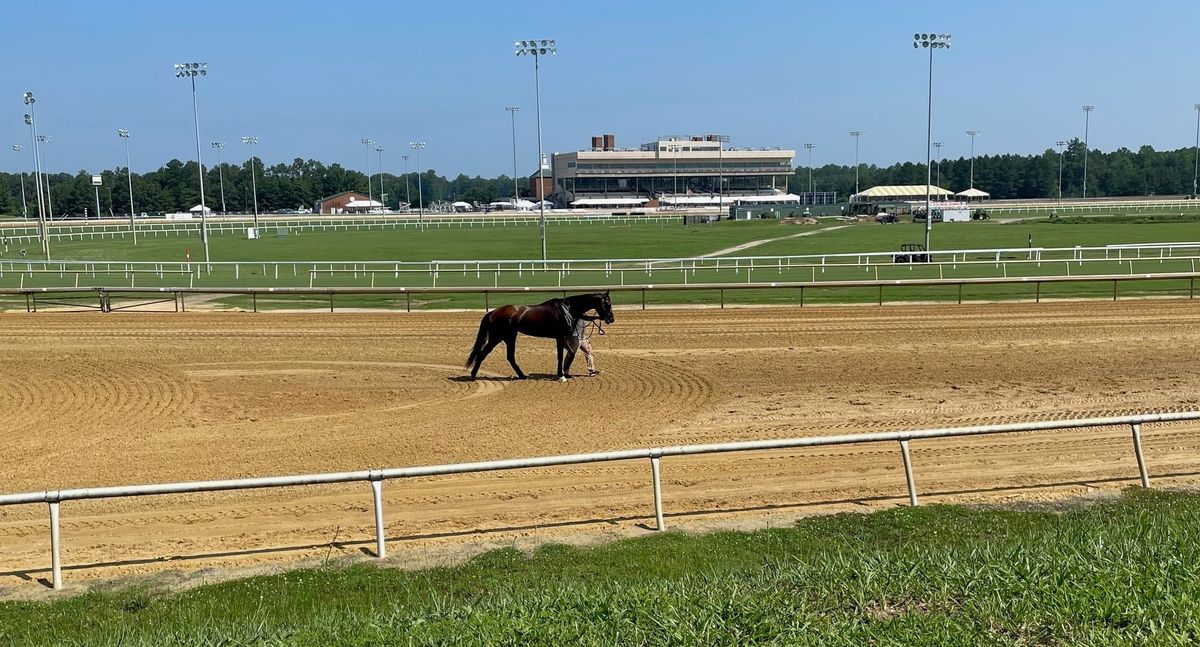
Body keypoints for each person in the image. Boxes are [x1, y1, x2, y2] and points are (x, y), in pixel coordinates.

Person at [573, 311, 604, 376]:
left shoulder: (581, 314)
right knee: (570, 355)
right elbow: (587, 318)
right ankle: (564, 372)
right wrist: (597, 317)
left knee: (589, 352)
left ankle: (592, 371)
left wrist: (597, 317)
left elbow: (587, 318)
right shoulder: (576, 314)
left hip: (582, 338)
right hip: (575, 338)